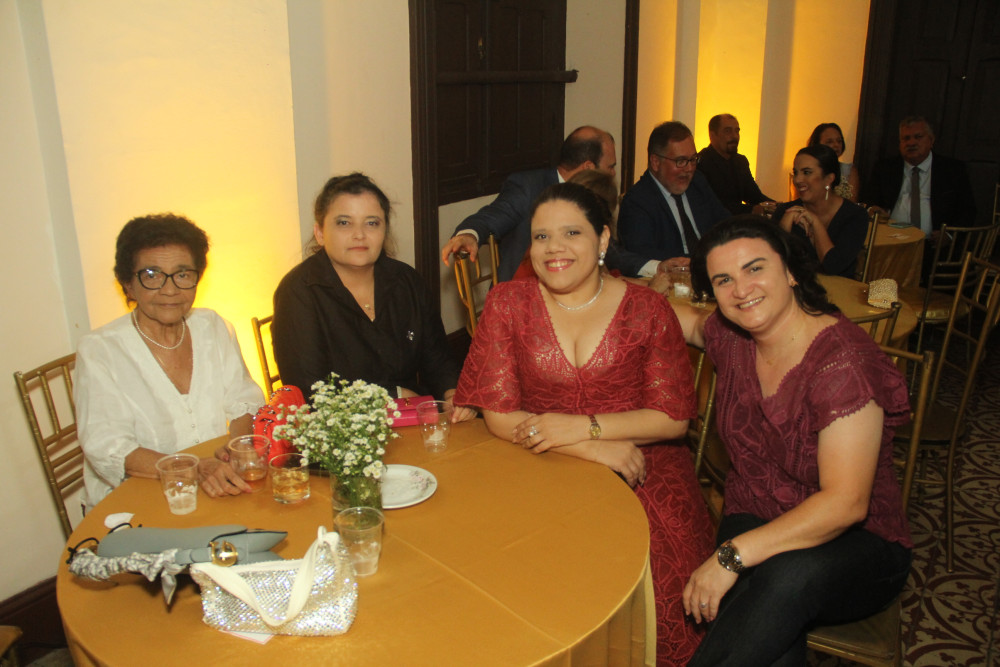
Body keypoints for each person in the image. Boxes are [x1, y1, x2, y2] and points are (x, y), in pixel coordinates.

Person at [454, 182, 715, 663]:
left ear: (603, 239)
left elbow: (672, 419)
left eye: (571, 233)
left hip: (644, 470)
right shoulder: (508, 303)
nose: (554, 248)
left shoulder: (647, 309)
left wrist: (584, 426)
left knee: (649, 596)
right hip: (537, 464)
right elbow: (500, 415)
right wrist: (587, 446)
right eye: (541, 237)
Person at [674, 216, 912, 666]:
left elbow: (845, 503)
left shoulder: (842, 365)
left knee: (785, 579)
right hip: (754, 509)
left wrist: (730, 557)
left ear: (790, 272)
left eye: (754, 268)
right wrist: (604, 288)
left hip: (857, 542)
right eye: (723, 280)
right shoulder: (733, 337)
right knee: (771, 628)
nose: (741, 290)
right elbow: (687, 322)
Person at [75, 214, 264, 509]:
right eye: (152, 275)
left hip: (218, 483)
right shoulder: (100, 350)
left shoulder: (212, 326)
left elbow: (244, 399)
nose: (170, 289)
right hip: (139, 496)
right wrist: (194, 469)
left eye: (182, 274)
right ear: (128, 284)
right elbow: (107, 446)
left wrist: (234, 451)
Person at [272, 173, 473, 421]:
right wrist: (393, 395)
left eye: (372, 223)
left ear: (384, 231)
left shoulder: (406, 281)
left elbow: (437, 358)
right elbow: (309, 392)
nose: (359, 234)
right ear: (320, 233)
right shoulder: (298, 292)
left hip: (413, 420)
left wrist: (452, 393)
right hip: (341, 432)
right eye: (344, 223)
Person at [618, 121, 730, 274]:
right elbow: (642, 256)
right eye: (681, 161)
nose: (689, 169)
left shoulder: (697, 182)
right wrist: (702, 262)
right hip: (675, 279)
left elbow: (725, 223)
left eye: (693, 160)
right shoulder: (637, 202)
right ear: (656, 162)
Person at [863, 116, 976, 235]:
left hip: (935, 242)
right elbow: (869, 201)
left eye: (918, 137)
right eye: (906, 138)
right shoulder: (885, 168)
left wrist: (948, 235)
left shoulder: (952, 169)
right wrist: (872, 209)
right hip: (891, 239)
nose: (911, 143)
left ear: (931, 140)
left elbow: (967, 211)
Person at [771, 145, 868, 279]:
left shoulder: (855, 216)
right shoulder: (785, 211)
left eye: (806, 172)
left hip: (840, 289)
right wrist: (784, 227)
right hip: (796, 288)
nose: (797, 180)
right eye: (796, 172)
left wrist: (816, 223)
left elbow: (832, 266)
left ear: (829, 179)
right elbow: (770, 264)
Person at [697, 114, 774, 215]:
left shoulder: (740, 162)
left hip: (738, 222)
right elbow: (712, 204)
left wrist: (777, 207)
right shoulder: (701, 163)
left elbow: (754, 196)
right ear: (712, 135)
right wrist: (751, 210)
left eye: (737, 131)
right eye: (728, 131)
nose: (734, 136)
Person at [807, 122, 860, 202]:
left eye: (839, 141)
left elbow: (852, 201)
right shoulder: (806, 170)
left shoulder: (849, 170)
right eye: (829, 142)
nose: (836, 145)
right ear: (817, 144)